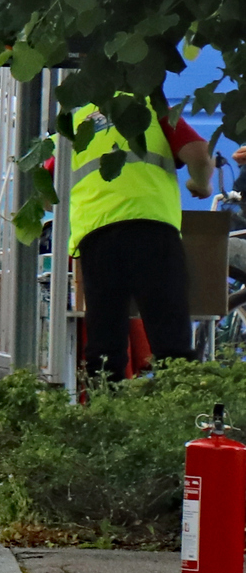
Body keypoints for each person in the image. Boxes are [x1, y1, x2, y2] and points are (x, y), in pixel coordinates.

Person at [66, 90, 213, 379]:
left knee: (104, 347)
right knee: (171, 341)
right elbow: (199, 154)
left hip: (96, 237)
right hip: (152, 230)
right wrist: (201, 185)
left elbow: (47, 186)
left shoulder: (76, 121)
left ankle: (105, 404)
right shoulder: (151, 107)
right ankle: (180, 402)